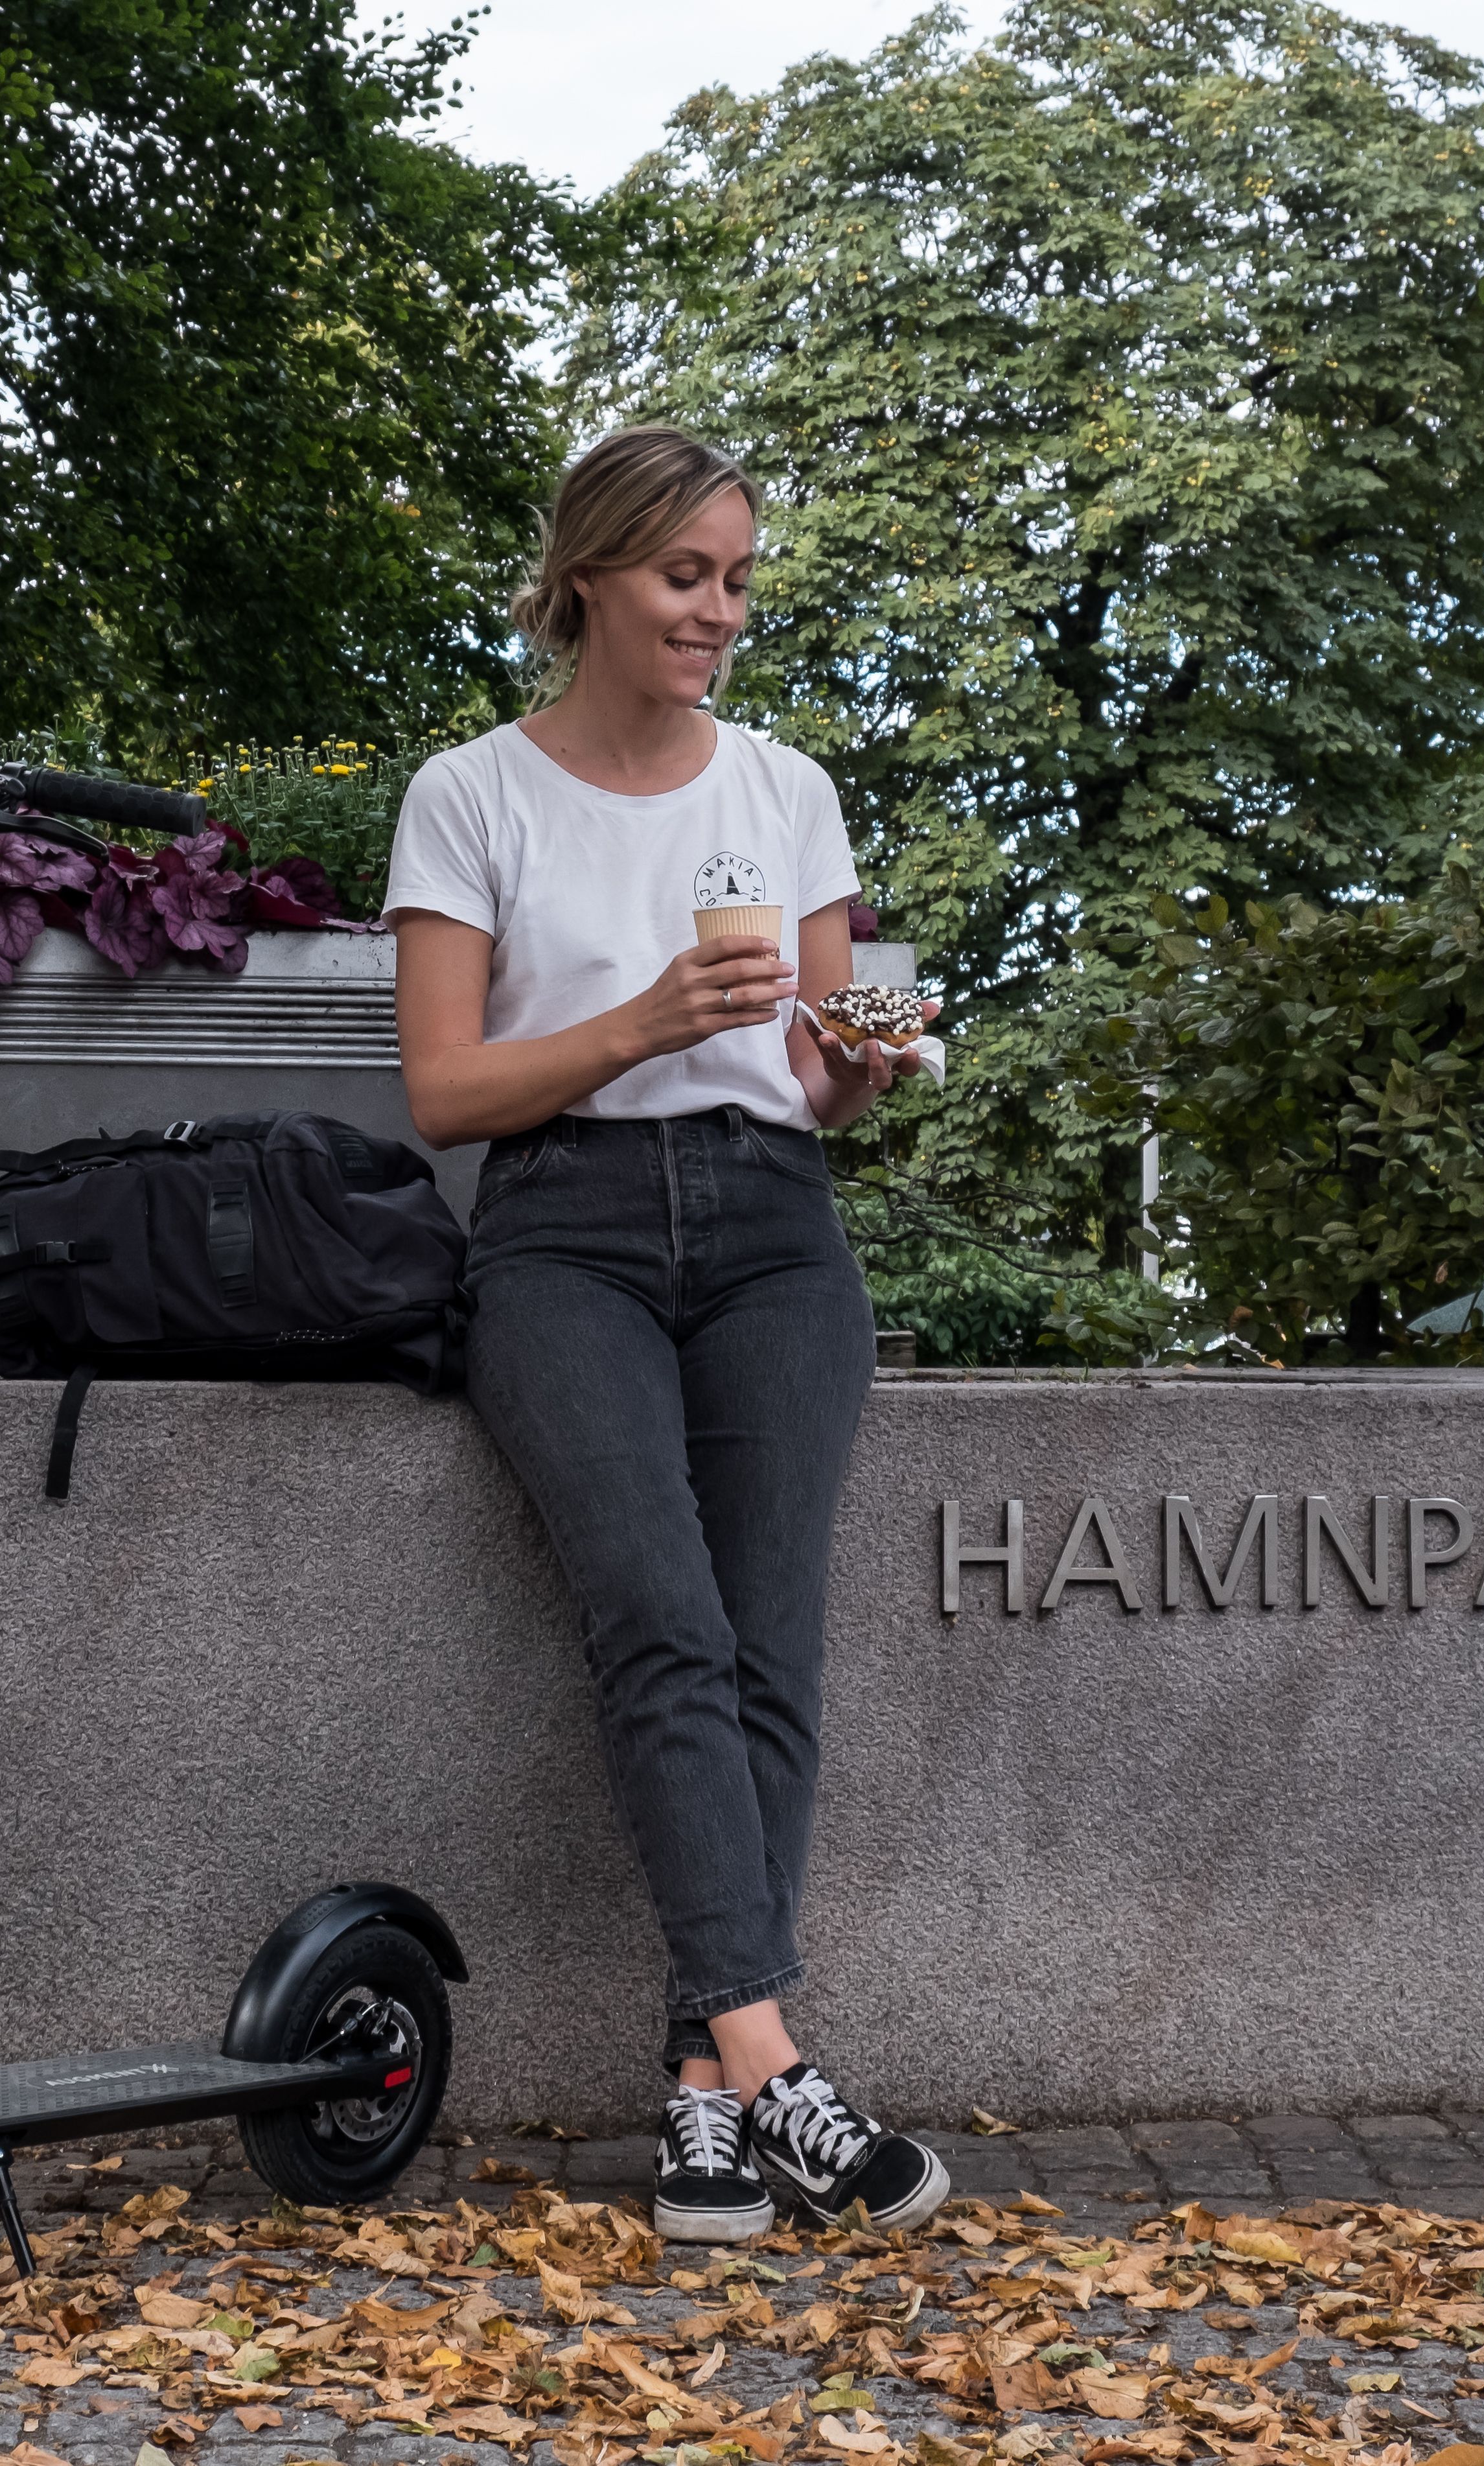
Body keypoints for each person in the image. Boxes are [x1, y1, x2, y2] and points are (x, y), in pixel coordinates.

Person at [382, 425, 944, 2242]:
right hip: (564, 1233)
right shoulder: (469, 794)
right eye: (685, 576)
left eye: (735, 580)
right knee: (664, 1634)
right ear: (589, 580)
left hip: (777, 1233)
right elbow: (447, 1091)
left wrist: (860, 1062)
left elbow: (823, 1064)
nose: (716, 612)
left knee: (768, 1648)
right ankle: (784, 2074)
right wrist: (637, 1019)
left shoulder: (786, 789)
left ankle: (707, 2097)